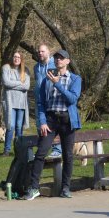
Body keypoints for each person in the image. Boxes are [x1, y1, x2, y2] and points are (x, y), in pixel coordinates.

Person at [24, 49, 81, 200]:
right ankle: (34, 187)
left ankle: (65, 188)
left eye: (61, 58)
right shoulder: (46, 79)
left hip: (67, 120)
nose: (58, 60)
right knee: (41, 152)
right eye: (56, 58)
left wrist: (58, 85)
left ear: (68, 61)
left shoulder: (75, 79)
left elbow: (72, 99)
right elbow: (41, 102)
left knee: (68, 155)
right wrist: (42, 121)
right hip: (50, 121)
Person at [33, 44, 61, 159]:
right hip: (39, 100)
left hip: (51, 99)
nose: (40, 53)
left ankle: (57, 149)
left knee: (53, 124)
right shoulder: (36, 67)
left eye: (43, 51)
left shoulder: (54, 64)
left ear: (48, 52)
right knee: (40, 125)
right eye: (39, 51)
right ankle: (42, 150)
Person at [0, 51, 30, 157]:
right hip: (10, 102)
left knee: (19, 127)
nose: (16, 58)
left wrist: (13, 85)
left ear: (21, 59)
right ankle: (6, 150)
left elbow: (26, 86)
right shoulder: (6, 68)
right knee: (10, 126)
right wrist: (19, 83)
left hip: (21, 103)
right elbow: (6, 82)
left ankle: (19, 150)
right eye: (14, 56)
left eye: (18, 57)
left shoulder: (25, 70)